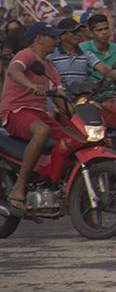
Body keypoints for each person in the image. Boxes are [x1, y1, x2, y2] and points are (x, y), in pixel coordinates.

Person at [0, 22, 67, 213]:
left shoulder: (50, 68)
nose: (57, 40)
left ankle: (52, 181)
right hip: (16, 110)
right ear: (39, 39)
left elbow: (60, 95)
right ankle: (19, 187)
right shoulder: (26, 55)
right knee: (42, 131)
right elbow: (14, 71)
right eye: (52, 37)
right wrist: (30, 85)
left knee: (70, 140)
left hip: (39, 113)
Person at [81, 14, 116, 86]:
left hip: (115, 92)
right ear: (91, 33)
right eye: (99, 30)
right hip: (90, 93)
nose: (104, 32)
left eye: (106, 28)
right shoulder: (82, 48)